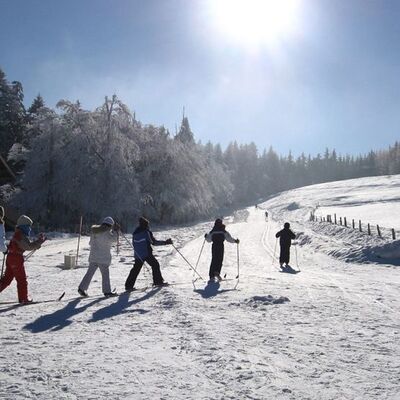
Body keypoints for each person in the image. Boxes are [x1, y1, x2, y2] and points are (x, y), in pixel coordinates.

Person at [0, 215, 45, 304]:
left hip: (10, 258)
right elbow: (28, 246)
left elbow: (26, 245)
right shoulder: (20, 235)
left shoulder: (18, 234)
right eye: (28, 226)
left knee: (7, 279)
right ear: (24, 226)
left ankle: (23, 297)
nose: (30, 229)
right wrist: (39, 241)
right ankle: (24, 298)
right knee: (22, 280)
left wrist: (37, 243)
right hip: (16, 259)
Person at [125, 217, 173, 290]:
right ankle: (158, 281)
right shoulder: (146, 232)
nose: (148, 226)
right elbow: (154, 242)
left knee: (136, 269)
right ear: (146, 225)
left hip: (138, 254)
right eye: (147, 225)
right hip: (146, 253)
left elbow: (134, 244)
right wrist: (166, 242)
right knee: (155, 264)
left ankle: (128, 286)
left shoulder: (135, 232)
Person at [78, 216, 120, 297]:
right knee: (105, 275)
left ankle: (82, 288)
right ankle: (107, 291)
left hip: (93, 256)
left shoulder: (95, 231)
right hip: (103, 258)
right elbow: (114, 240)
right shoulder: (107, 233)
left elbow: (90, 243)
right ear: (110, 225)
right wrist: (116, 231)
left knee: (89, 273)